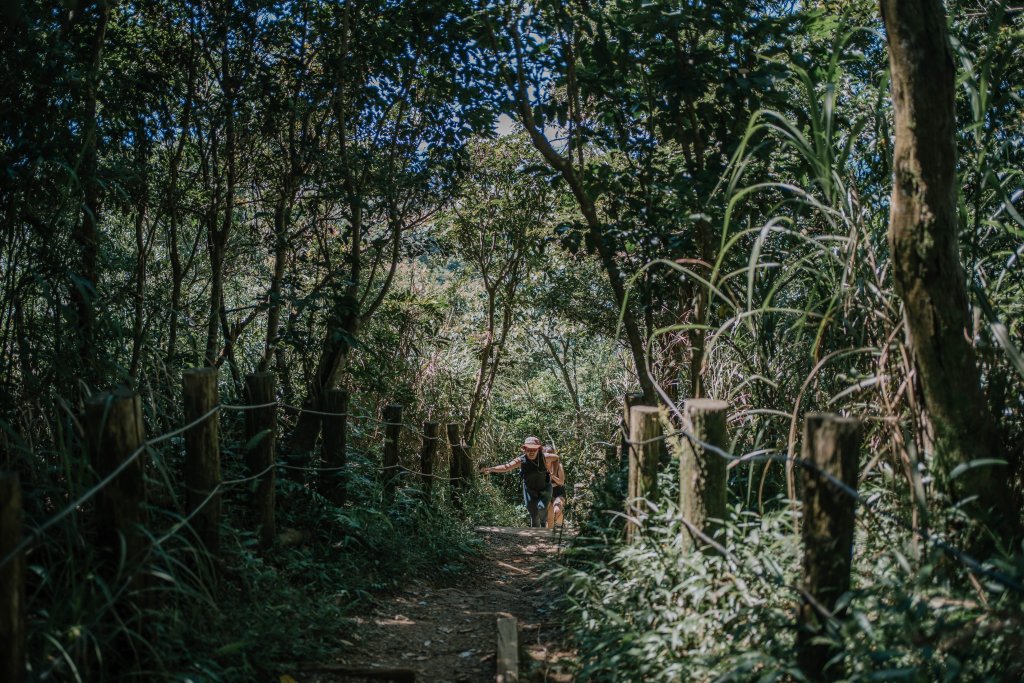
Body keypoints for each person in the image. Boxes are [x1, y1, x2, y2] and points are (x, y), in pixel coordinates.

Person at [480, 435, 550, 527]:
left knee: (542, 507)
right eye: (528, 449)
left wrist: (551, 470)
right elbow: (506, 467)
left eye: (534, 449)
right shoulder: (521, 460)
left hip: (544, 487)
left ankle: (543, 525)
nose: (531, 452)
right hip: (529, 489)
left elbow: (556, 457)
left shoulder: (545, 457)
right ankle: (536, 535)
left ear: (539, 450)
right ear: (524, 450)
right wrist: (491, 469)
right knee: (533, 513)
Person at [545, 446, 566, 529]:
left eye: (550, 454)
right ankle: (549, 536)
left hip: (558, 491)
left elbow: (561, 482)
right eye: (547, 455)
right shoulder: (541, 467)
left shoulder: (559, 466)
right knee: (549, 517)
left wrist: (551, 475)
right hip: (546, 492)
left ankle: (560, 526)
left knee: (557, 510)